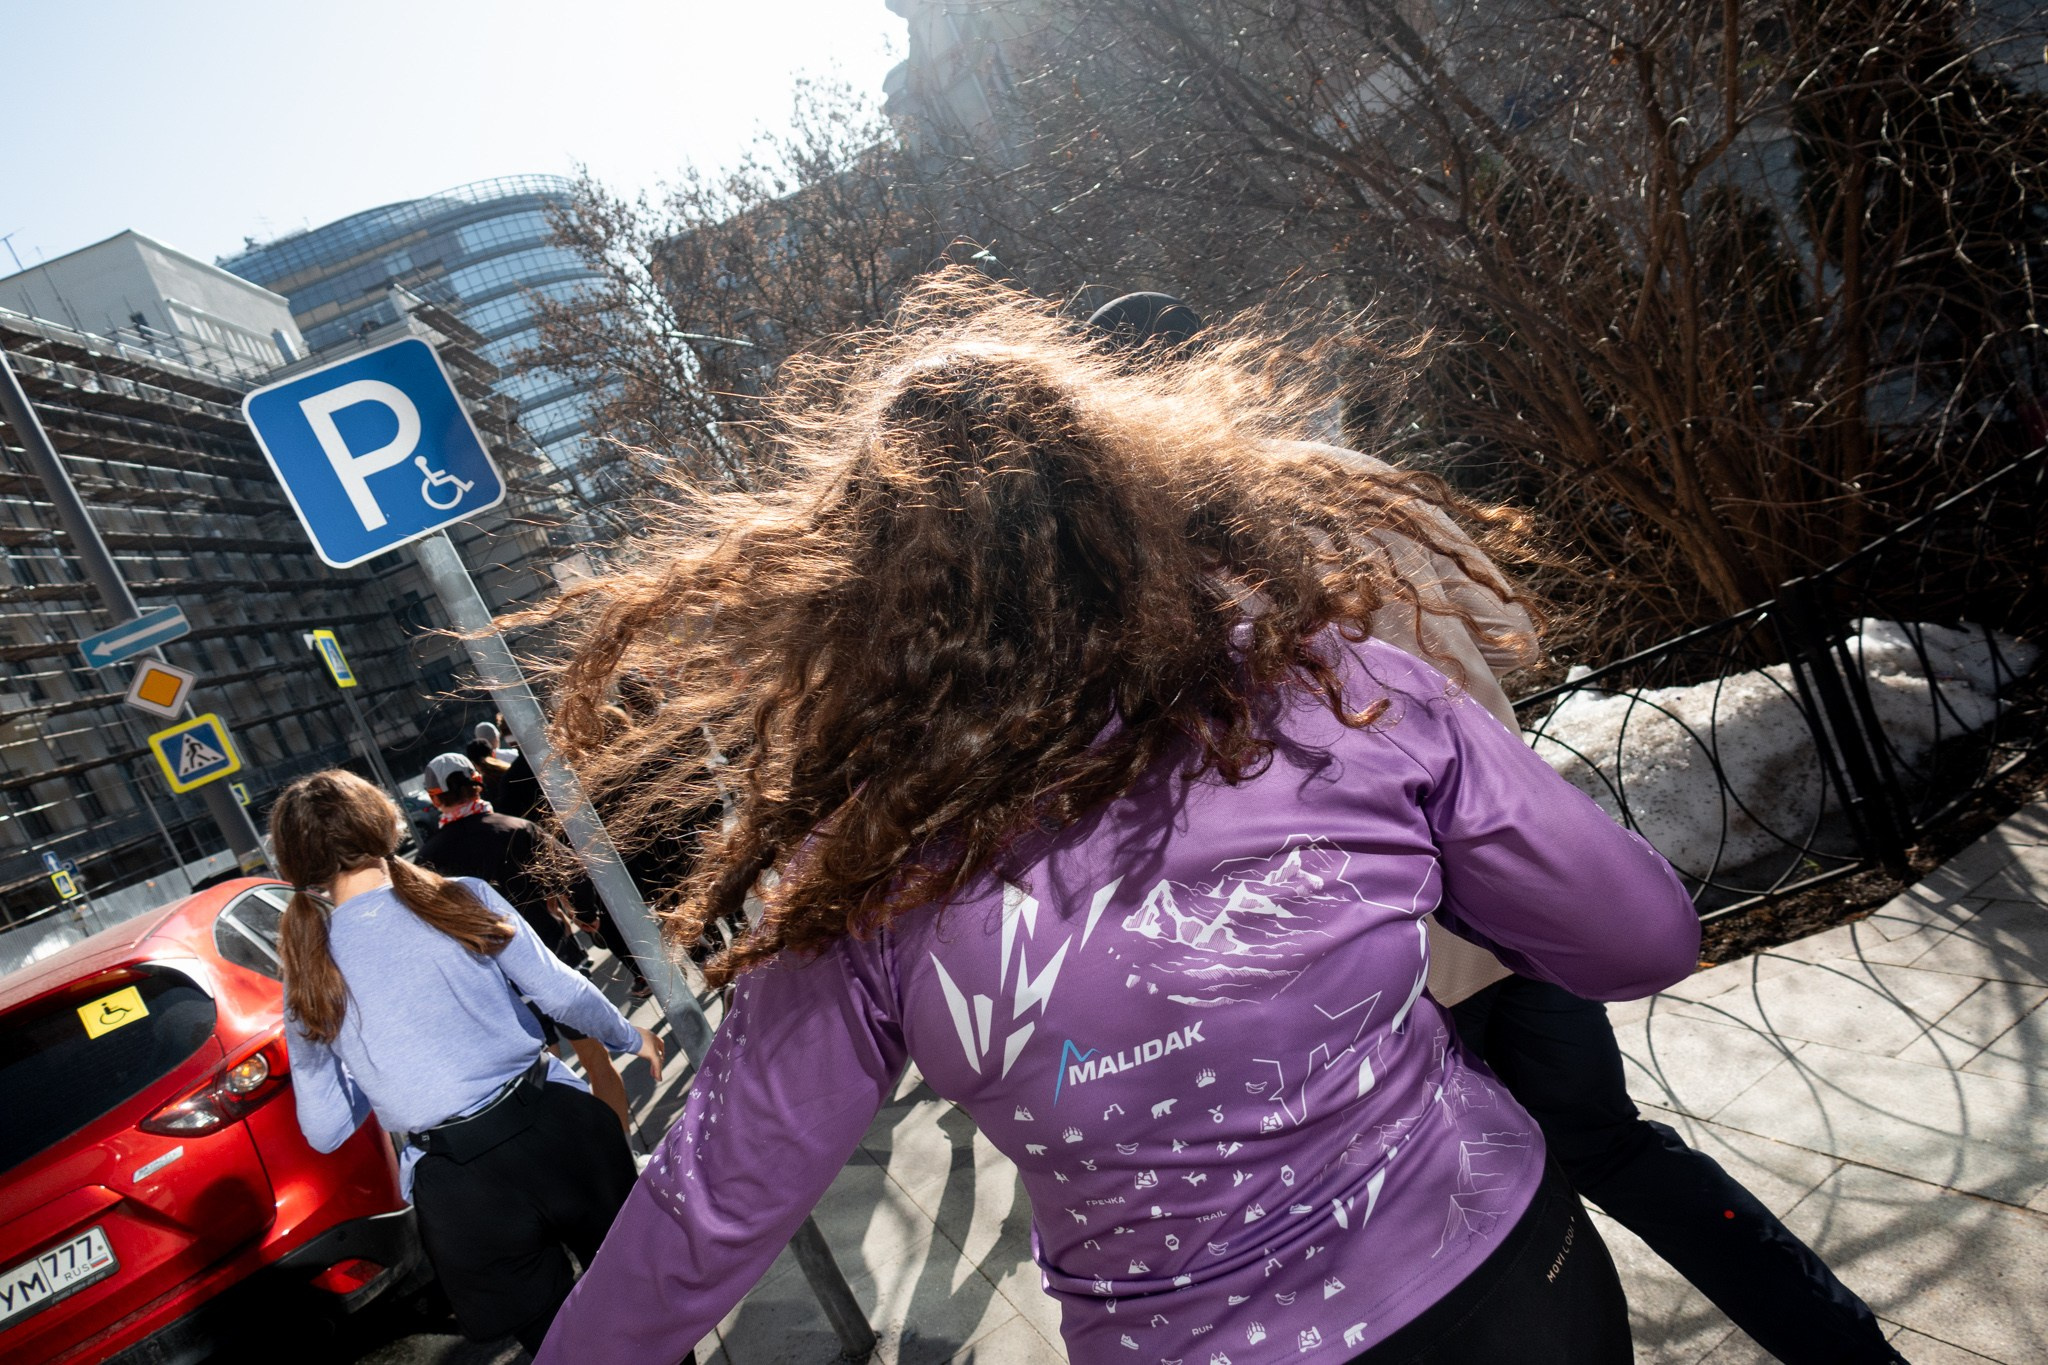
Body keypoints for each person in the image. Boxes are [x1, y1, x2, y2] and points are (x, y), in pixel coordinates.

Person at [533, 272, 1704, 1363]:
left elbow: (711, 1208)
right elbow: (1640, 940)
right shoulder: (1332, 692)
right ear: (1138, 502)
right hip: (1505, 1287)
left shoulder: (864, 875)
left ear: (863, 594)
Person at [1094, 291, 1908, 1364]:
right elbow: (1513, 636)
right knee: (1613, 1152)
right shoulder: (1347, 484)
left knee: (1493, 1227)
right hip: (1522, 904)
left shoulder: (1172, 575)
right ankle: (1843, 1346)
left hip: (1385, 964)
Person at [270, 769, 665, 1355]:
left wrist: (376, 1064)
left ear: (295, 864)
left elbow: (325, 1131)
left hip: (459, 1186)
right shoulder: (460, 897)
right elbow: (560, 993)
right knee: (648, 1305)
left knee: (559, 1347)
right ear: (382, 823)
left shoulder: (307, 975)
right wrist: (631, 1037)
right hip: (554, 1132)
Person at [416, 752, 645, 1126]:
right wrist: (586, 915)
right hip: (554, 960)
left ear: (434, 798)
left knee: (545, 1080)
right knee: (596, 1060)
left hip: (497, 985)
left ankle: (576, 1165)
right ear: (478, 783)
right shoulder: (516, 829)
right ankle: (619, 1152)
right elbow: (576, 876)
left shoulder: (427, 862)